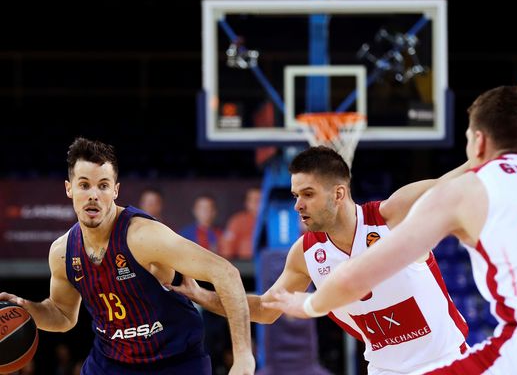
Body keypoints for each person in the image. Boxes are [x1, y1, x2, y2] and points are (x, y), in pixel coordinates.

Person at [266, 74, 517, 374]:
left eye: (469, 137)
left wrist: (309, 305)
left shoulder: (457, 192)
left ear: (479, 143)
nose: (298, 204)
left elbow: (356, 277)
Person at [170, 151, 473, 374]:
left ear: (338, 193)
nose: (297, 204)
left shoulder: (393, 215)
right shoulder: (305, 254)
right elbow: (264, 310)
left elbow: (466, 175)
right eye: (295, 195)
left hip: (450, 364)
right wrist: (202, 295)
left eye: (308, 194)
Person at [0, 137, 255, 375]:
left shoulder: (143, 237)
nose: (93, 195)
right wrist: (28, 310)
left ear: (116, 191)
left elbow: (225, 272)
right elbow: (63, 315)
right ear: (69, 189)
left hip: (175, 361)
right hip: (110, 363)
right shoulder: (62, 252)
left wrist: (243, 355)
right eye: (84, 185)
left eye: (103, 186)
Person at [219, 187, 261, 260]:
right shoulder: (238, 221)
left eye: (260, 200)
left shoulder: (272, 220)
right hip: (244, 264)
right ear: (247, 203)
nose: (257, 203)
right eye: (253, 200)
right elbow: (227, 245)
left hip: (267, 264)